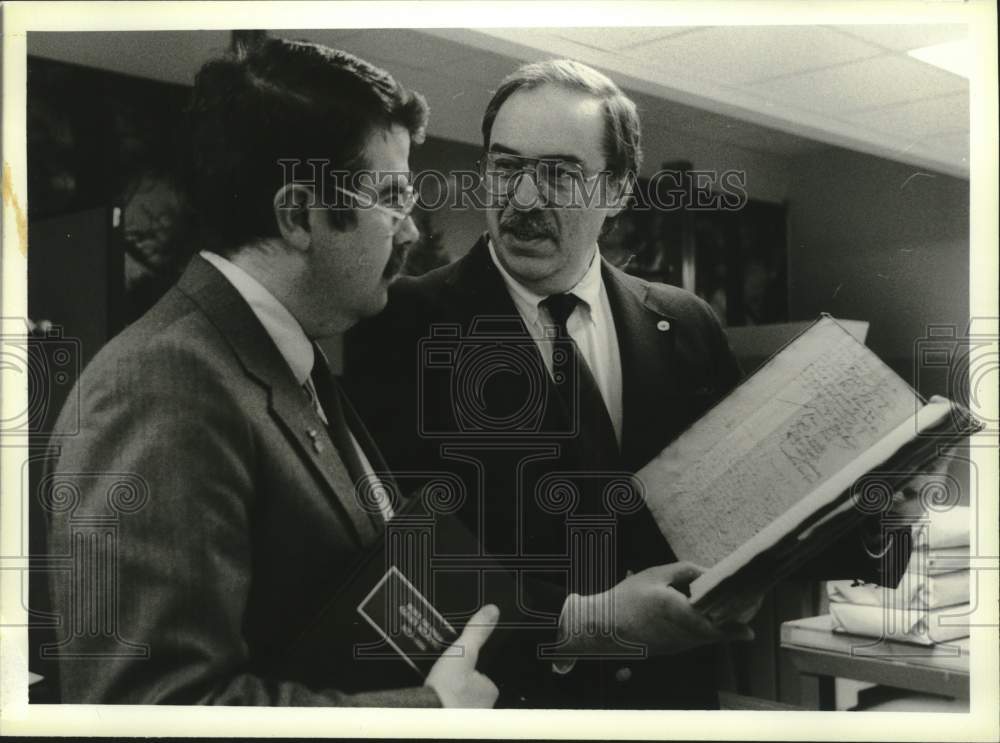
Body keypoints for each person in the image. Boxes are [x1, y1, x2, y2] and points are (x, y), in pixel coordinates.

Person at [344, 59, 907, 708]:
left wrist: (876, 509)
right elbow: (397, 568)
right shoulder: (401, 327)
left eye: (558, 173)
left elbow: (751, 520)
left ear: (616, 192)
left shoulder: (687, 325)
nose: (524, 200)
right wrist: (588, 620)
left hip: (668, 707)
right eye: (506, 167)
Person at [42, 37, 498, 707]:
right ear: (297, 216)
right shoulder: (160, 388)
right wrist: (431, 712)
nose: (407, 232)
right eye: (392, 197)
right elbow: (148, 708)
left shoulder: (287, 364)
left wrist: (583, 618)